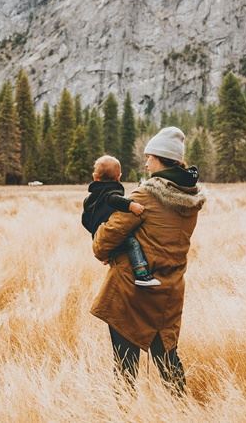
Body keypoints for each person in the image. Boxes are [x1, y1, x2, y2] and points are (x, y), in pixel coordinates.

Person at [90, 126, 205, 395]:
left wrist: (105, 247)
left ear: (161, 159)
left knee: (125, 368)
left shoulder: (144, 196)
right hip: (169, 292)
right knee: (168, 361)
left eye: (149, 157)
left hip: (132, 293)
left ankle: (124, 414)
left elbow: (104, 241)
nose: (146, 162)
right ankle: (180, 412)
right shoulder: (190, 198)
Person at [82, 155, 161, 287]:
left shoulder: (89, 199)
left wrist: (95, 232)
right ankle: (141, 274)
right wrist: (131, 206)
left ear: (95, 177)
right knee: (132, 243)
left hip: (98, 234)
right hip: (109, 232)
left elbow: (84, 220)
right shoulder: (110, 192)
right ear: (119, 177)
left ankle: (108, 255)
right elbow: (113, 199)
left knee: (116, 250)